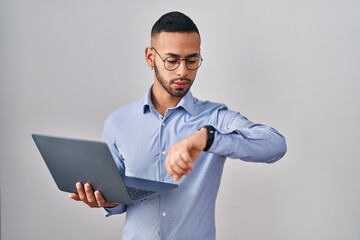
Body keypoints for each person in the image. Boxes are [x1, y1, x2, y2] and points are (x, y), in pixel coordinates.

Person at [69, 11, 287, 240]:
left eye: (192, 60)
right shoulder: (118, 123)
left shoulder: (214, 118)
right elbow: (118, 199)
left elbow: (275, 145)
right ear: (149, 57)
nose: (183, 71)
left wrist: (208, 138)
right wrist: (108, 201)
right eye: (172, 60)